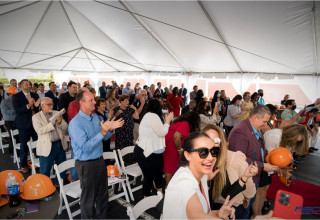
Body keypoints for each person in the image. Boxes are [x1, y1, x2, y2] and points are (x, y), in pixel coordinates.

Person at [68, 90, 124, 219]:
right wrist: (103, 132)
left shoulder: (94, 118)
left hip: (99, 161)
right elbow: (86, 147)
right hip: (86, 165)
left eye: (94, 99)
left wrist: (110, 129)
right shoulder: (76, 123)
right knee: (88, 199)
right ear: (81, 103)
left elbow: (103, 138)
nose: (95, 102)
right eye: (91, 100)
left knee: (102, 195)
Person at [163, 132, 237, 219]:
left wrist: (217, 213)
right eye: (203, 152)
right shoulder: (183, 181)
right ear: (187, 155)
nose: (211, 158)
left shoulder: (202, 176)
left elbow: (202, 213)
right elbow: (196, 215)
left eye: (214, 151)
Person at [228, 105, 278, 218]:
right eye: (264, 121)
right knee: (242, 213)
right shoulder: (240, 131)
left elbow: (261, 149)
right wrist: (263, 166)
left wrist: (272, 158)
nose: (266, 124)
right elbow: (240, 159)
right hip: (242, 182)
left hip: (254, 179)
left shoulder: (256, 129)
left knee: (247, 208)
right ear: (255, 118)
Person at [202, 124, 258, 219]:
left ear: (221, 143)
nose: (211, 144)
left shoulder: (220, 161)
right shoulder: (195, 164)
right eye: (206, 140)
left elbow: (225, 192)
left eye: (215, 141)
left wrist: (245, 177)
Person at [134, 99, 174, 197]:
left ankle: (159, 191)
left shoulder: (151, 116)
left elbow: (159, 131)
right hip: (145, 151)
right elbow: (163, 132)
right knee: (149, 175)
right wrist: (168, 122)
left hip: (154, 152)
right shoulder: (151, 116)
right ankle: (146, 197)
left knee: (158, 172)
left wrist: (165, 122)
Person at [32, 97, 68, 179]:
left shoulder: (57, 113)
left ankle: (58, 184)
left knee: (62, 168)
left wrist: (60, 121)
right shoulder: (36, 117)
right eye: (49, 105)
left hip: (60, 143)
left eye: (52, 104)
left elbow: (66, 128)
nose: (51, 106)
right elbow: (39, 130)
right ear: (42, 105)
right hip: (47, 146)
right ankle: (45, 189)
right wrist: (51, 124)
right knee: (45, 170)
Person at [163, 111, 200, 185]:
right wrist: (179, 149)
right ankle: (168, 190)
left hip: (169, 145)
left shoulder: (180, 122)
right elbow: (176, 136)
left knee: (169, 168)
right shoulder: (185, 124)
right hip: (172, 147)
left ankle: (169, 187)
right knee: (169, 171)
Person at [12, 79, 40, 173]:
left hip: (35, 123)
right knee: (24, 146)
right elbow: (17, 110)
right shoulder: (16, 97)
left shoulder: (35, 95)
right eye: (26, 84)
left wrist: (37, 105)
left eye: (29, 84)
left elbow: (37, 109)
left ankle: (38, 160)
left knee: (37, 143)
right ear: (20, 86)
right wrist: (28, 105)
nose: (28, 86)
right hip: (24, 124)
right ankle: (23, 165)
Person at [113, 95, 139, 160]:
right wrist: (117, 114)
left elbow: (137, 117)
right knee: (120, 149)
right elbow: (112, 120)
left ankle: (129, 161)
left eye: (128, 100)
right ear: (121, 101)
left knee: (129, 148)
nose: (127, 102)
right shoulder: (116, 109)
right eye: (126, 100)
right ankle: (120, 162)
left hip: (129, 132)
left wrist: (135, 109)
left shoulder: (129, 109)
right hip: (120, 133)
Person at [1, 86, 18, 156]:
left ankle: (18, 151)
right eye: (14, 94)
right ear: (10, 94)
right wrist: (17, 110)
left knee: (18, 137)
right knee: (12, 137)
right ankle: (12, 152)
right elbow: (5, 112)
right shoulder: (4, 102)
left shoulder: (16, 101)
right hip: (10, 122)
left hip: (17, 120)